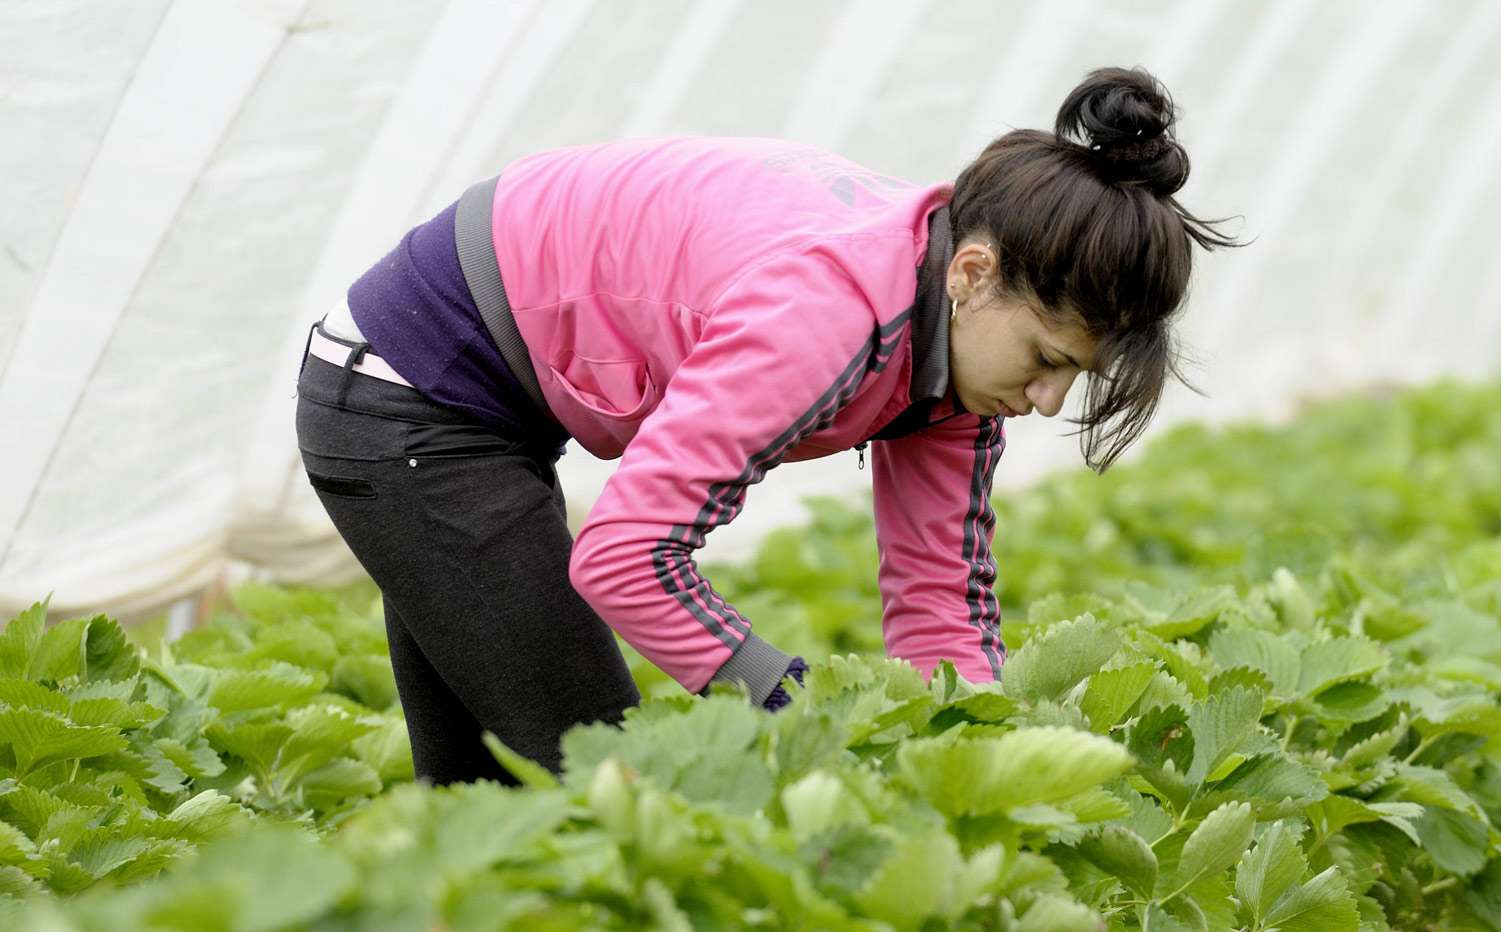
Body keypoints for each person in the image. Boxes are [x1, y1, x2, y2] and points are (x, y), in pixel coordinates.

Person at [291, 66, 1243, 786]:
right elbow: (626, 555)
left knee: (491, 801)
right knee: (605, 784)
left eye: (1076, 377)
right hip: (407, 391)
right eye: (1045, 360)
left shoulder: (954, 369)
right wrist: (796, 706)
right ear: (974, 273)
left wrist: (978, 764)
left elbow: (939, 603)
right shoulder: (826, 311)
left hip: (488, 409)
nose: (1047, 403)